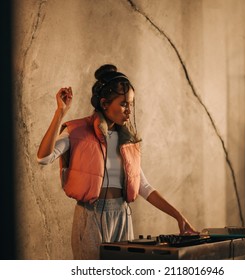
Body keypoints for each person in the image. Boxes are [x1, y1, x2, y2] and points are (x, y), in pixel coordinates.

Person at [37, 64, 197, 259]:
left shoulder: (127, 140)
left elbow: (143, 186)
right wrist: (60, 113)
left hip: (123, 216)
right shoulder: (77, 131)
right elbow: (43, 157)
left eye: (131, 104)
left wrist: (178, 216)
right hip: (90, 217)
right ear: (104, 104)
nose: (129, 110)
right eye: (123, 104)